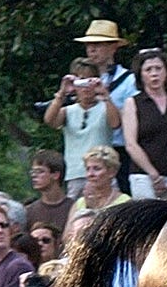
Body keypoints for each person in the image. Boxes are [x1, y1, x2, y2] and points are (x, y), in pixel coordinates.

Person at [122, 47, 167, 201]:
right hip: (144, 176)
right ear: (141, 74)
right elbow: (131, 144)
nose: (154, 73)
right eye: (148, 70)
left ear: (166, 72)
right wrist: (153, 175)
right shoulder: (133, 103)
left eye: (158, 69)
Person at [43, 58, 119, 195]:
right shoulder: (68, 111)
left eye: (90, 80)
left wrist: (105, 94)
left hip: (104, 174)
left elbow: (115, 123)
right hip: (75, 174)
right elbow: (50, 120)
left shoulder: (106, 108)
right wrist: (62, 93)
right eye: (82, 81)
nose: (86, 87)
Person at [73, 19, 138, 177]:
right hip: (86, 149)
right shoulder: (79, 79)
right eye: (89, 45)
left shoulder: (129, 80)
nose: (92, 50)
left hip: (117, 149)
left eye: (99, 45)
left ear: (113, 47)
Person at [63, 145, 131, 243]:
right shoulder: (80, 203)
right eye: (87, 169)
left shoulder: (125, 203)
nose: (90, 174)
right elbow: (66, 238)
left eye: (96, 169)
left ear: (112, 172)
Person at [24, 150, 71, 236]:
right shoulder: (30, 211)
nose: (34, 175)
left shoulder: (72, 208)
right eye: (33, 172)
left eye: (40, 171)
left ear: (56, 175)